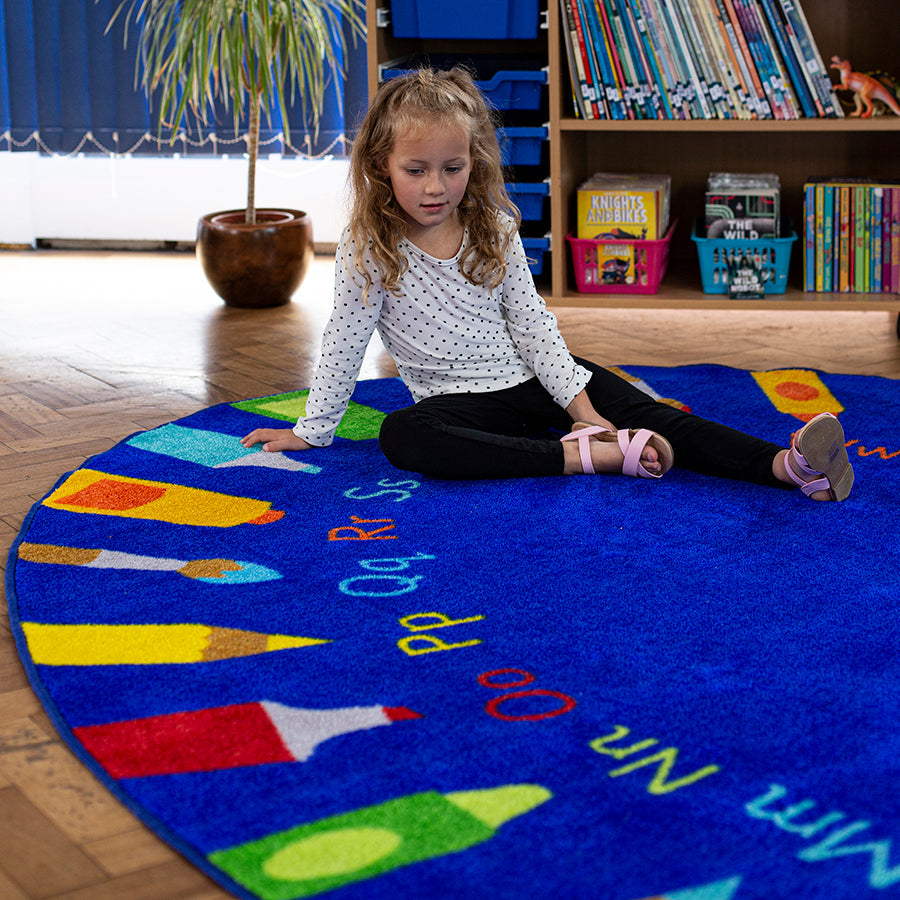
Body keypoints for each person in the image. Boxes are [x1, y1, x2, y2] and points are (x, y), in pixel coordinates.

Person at [240, 67, 853, 502]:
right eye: (416, 170)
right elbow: (343, 341)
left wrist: (582, 410)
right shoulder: (367, 249)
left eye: (452, 169)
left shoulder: (495, 228)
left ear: (472, 164)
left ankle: (786, 466)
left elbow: (534, 327)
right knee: (403, 435)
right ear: (381, 167)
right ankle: (583, 458)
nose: (436, 187)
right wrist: (310, 431)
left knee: (650, 412)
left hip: (536, 381)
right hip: (458, 406)